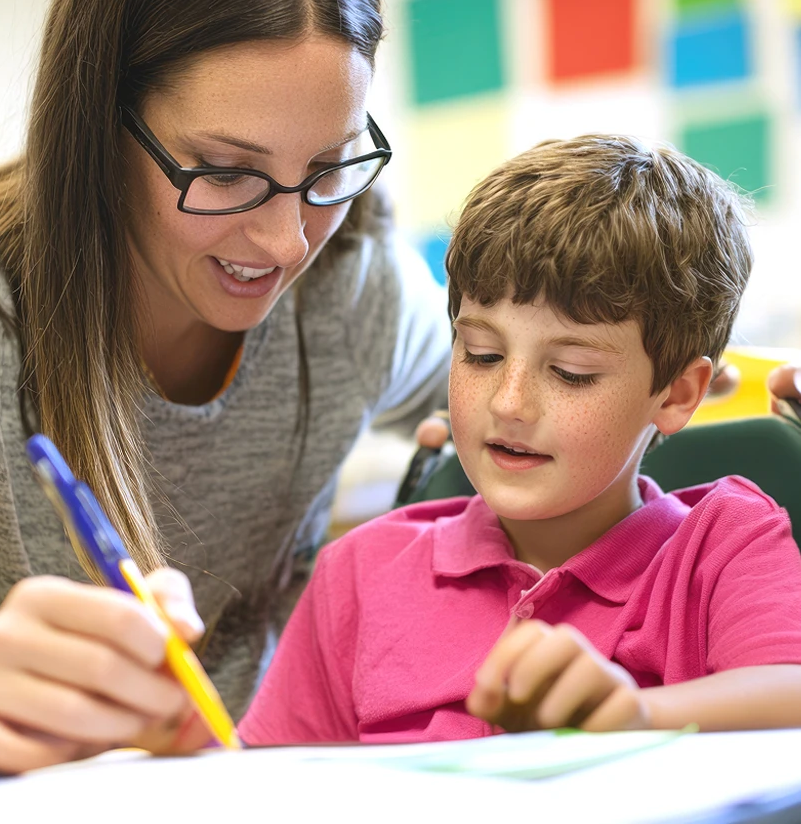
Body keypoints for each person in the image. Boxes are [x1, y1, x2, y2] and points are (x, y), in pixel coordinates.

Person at [0, 0, 451, 771]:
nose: (286, 243)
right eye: (225, 170)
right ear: (101, 126)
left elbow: (526, 405)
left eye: (329, 165)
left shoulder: (353, 281)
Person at [238, 134, 801, 746]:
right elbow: (271, 776)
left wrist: (638, 717)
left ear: (676, 394)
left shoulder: (724, 546)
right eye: (481, 354)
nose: (508, 403)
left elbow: (788, 693)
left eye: (570, 372)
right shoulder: (359, 572)